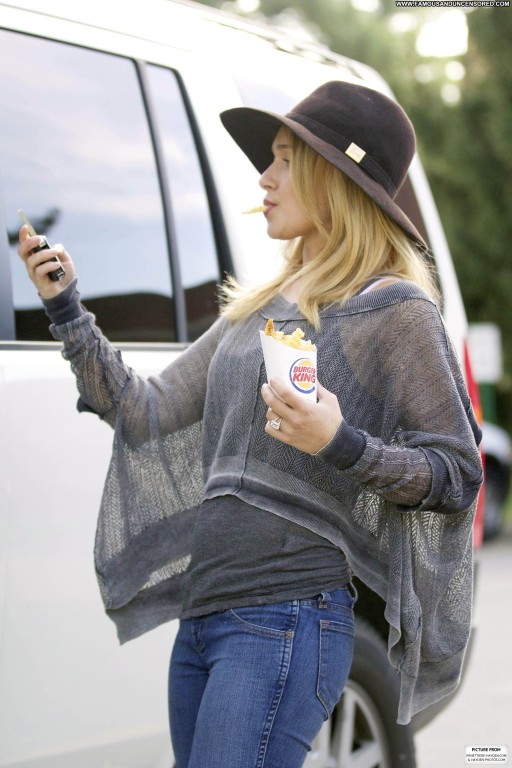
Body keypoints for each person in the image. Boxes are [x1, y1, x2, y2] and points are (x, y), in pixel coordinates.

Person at [18, 80, 483, 768]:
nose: (264, 178)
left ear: (336, 179)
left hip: (286, 620)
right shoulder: (256, 309)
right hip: (205, 618)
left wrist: (341, 444)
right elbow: (143, 410)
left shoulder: (395, 309)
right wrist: (65, 307)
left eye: (286, 160)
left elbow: (456, 472)